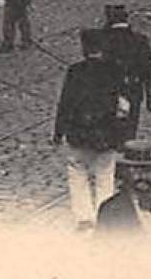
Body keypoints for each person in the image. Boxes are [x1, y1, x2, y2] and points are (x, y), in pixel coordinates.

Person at [52, 30, 131, 232]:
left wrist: (58, 132)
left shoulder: (75, 71)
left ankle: (84, 218)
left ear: (84, 49)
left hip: (79, 133)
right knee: (105, 174)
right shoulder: (116, 71)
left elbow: (65, 104)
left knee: (77, 172)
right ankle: (104, 216)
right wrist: (122, 135)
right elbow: (124, 107)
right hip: (107, 133)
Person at [91, 4, 151, 138]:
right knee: (129, 131)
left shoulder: (101, 39)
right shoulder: (140, 40)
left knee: (107, 132)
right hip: (133, 90)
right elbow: (149, 69)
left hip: (106, 93)